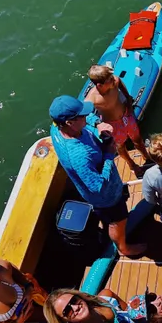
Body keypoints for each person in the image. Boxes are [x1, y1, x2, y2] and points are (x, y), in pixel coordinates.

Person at [49, 95, 137, 256]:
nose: (86, 116)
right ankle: (124, 248)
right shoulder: (78, 156)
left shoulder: (55, 127)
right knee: (118, 220)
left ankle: (109, 224)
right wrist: (109, 154)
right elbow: (98, 187)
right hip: (106, 197)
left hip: (92, 188)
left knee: (108, 217)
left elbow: (86, 117)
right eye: (81, 116)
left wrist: (98, 123)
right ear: (69, 122)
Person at [84, 64, 148, 176]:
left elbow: (127, 96)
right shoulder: (92, 97)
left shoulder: (116, 81)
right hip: (113, 126)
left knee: (138, 139)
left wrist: (130, 111)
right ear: (100, 85)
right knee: (120, 146)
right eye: (110, 79)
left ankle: (146, 156)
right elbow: (84, 114)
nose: (113, 79)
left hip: (127, 117)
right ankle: (131, 164)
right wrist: (98, 123)